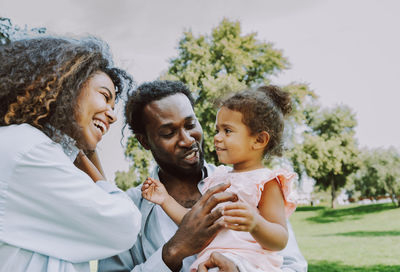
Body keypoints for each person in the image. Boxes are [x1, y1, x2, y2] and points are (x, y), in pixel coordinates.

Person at [98, 80, 307, 272]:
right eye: (169, 133)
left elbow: (293, 266)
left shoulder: (250, 184)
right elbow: (188, 223)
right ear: (145, 141)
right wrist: (173, 251)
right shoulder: (127, 209)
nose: (187, 140)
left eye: (190, 125)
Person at [0, 36, 141, 271]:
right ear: (69, 85)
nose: (113, 115)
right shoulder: (29, 150)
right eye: (105, 96)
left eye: (114, 107)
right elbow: (124, 225)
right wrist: (85, 158)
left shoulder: (31, 147)